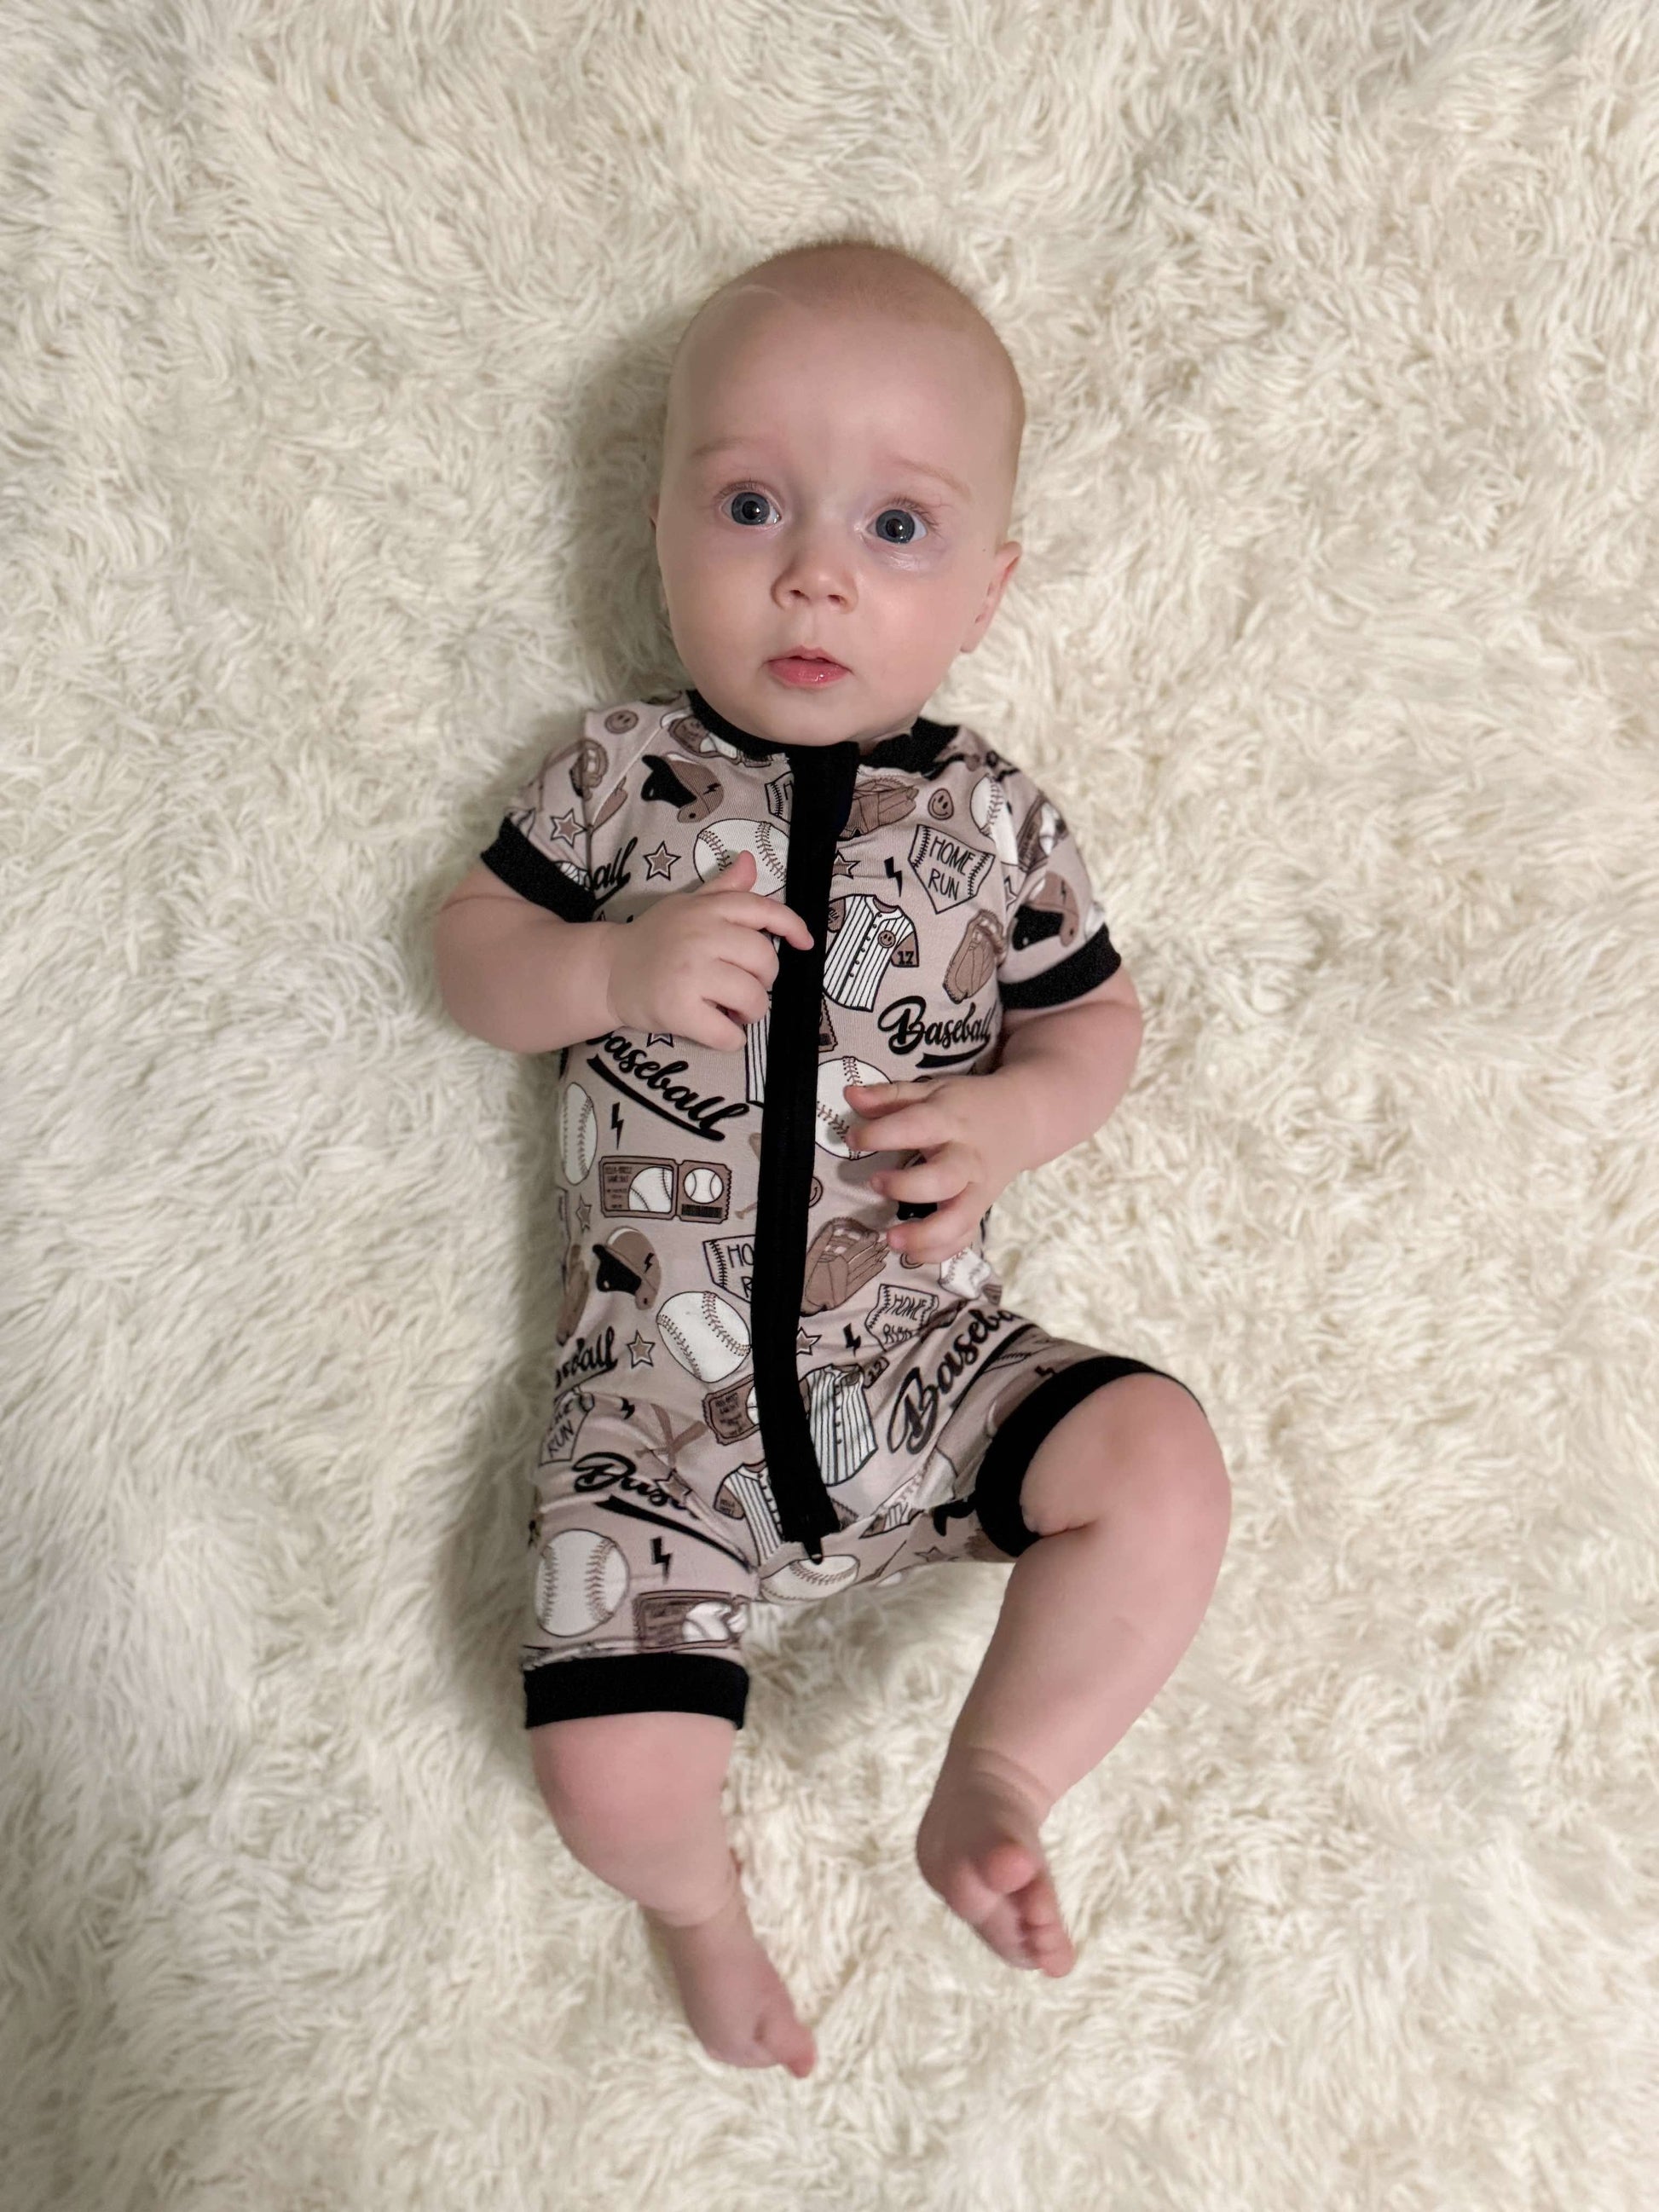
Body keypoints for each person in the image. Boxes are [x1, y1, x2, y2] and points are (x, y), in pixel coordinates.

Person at [434, 237, 1231, 2078]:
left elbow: (1096, 1026)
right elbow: (471, 954)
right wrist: (606, 972)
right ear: (656, 523)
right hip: (654, 1420)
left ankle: (998, 1772)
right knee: (605, 1772)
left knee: (1162, 1464)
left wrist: (1013, 1117)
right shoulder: (616, 773)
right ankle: (695, 1905)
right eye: (747, 505)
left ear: (986, 587)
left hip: (919, 1359)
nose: (812, 570)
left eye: (896, 527)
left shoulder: (994, 817)